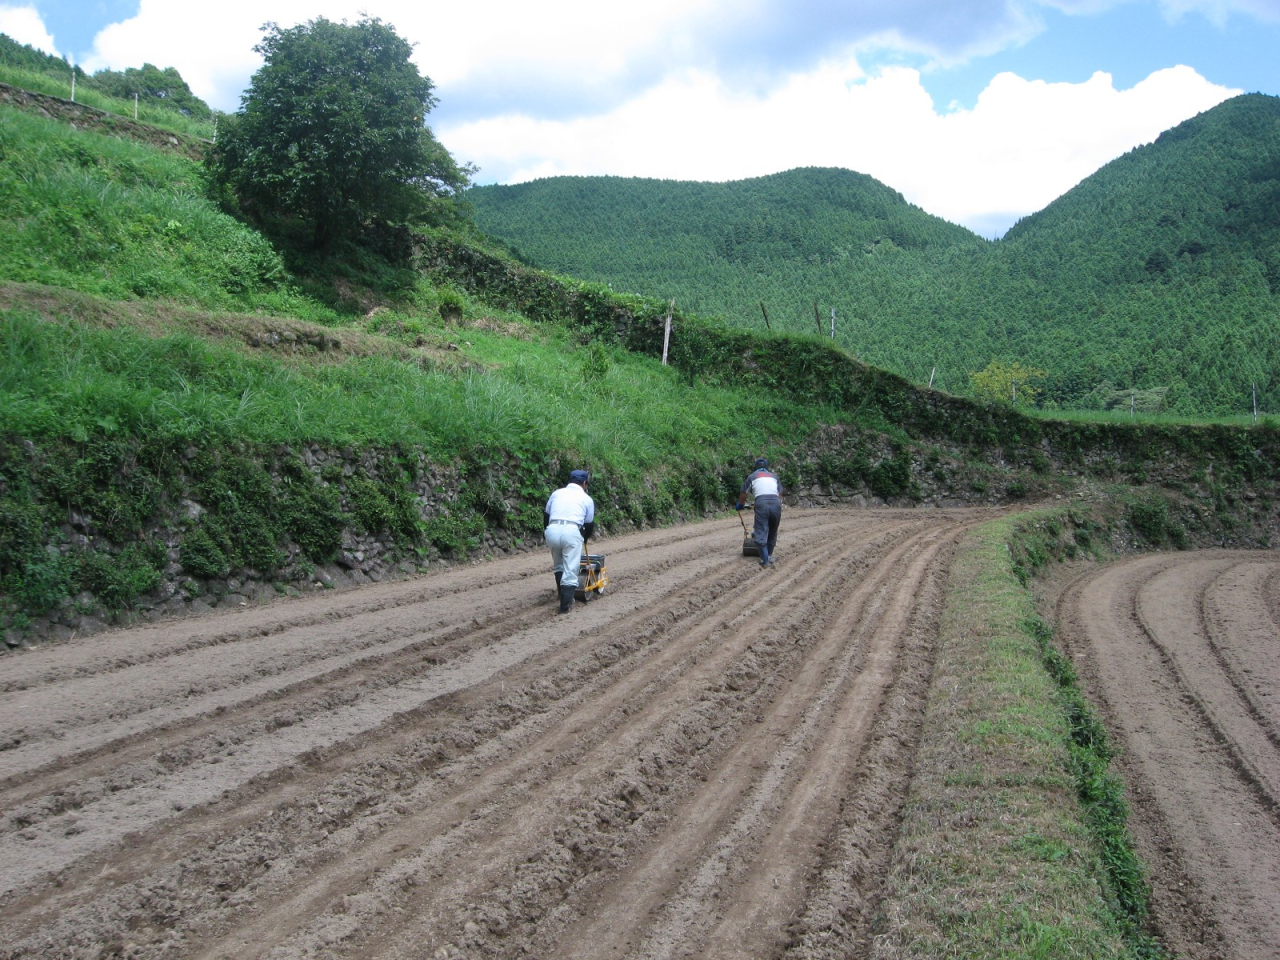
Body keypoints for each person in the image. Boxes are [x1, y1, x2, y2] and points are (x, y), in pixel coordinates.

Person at [544, 469, 596, 614]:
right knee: (571, 569)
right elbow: (589, 523)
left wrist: (547, 532)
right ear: (584, 484)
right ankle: (565, 606)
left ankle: (562, 595)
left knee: (558, 564)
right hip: (572, 530)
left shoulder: (557, 493)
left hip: (552, 529)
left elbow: (546, 514)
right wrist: (584, 539)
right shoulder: (587, 499)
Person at [736, 457, 782, 567]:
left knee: (760, 531)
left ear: (755, 467)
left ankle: (765, 560)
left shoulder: (751, 477)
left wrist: (740, 505)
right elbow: (780, 493)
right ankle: (769, 555)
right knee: (773, 530)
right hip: (776, 503)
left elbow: (744, 494)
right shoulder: (774, 476)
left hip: (761, 503)